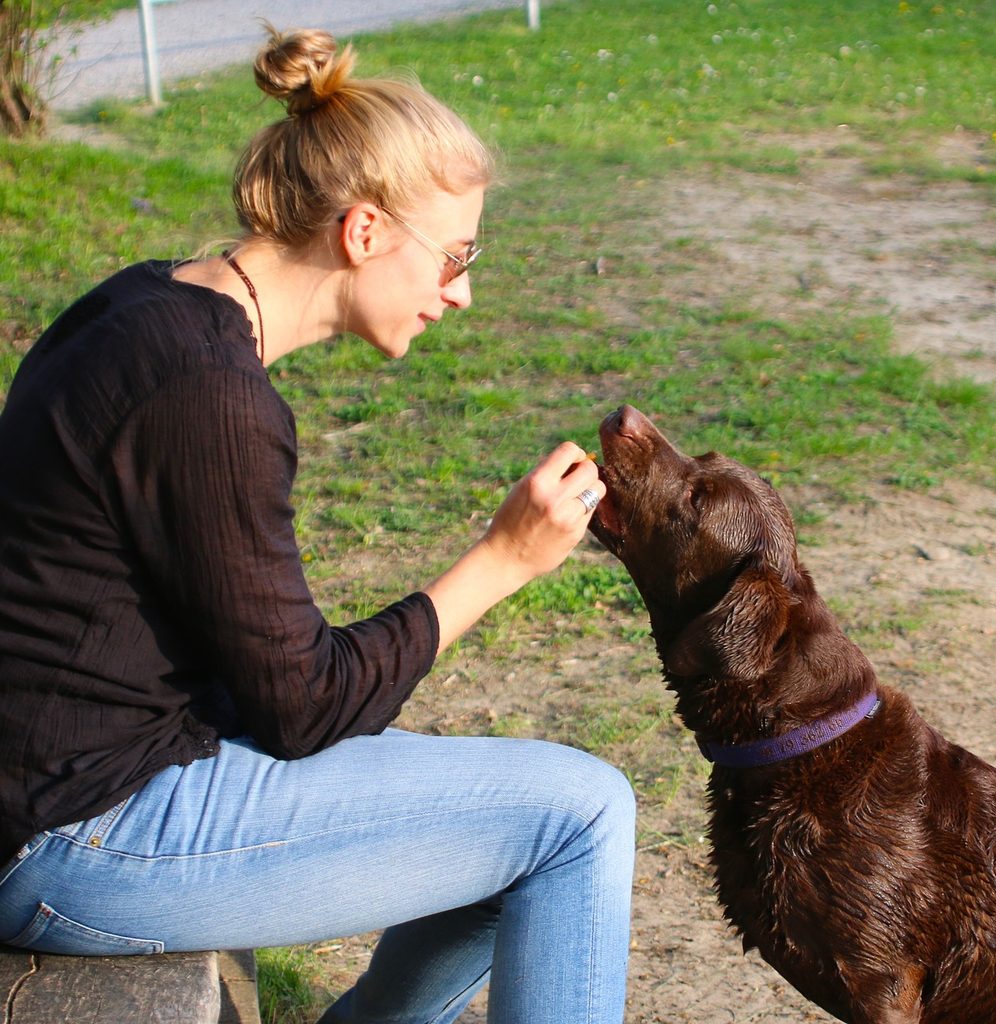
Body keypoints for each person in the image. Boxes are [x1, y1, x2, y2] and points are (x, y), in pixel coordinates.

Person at [0, 25, 636, 1024]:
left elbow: (256, 672)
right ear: (366, 231)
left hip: (67, 783)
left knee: (506, 807)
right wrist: (503, 559)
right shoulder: (213, 397)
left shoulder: (149, 304)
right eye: (456, 256)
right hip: (73, 832)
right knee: (583, 813)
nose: (460, 292)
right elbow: (300, 708)